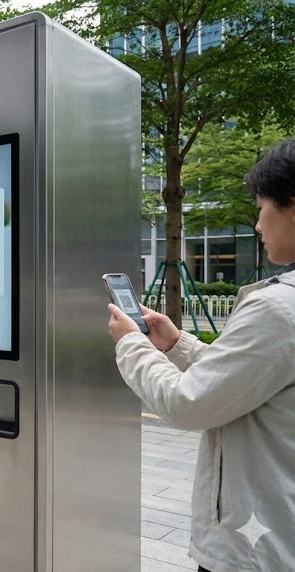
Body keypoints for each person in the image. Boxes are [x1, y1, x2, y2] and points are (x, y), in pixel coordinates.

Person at [107, 139, 295, 572]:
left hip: (257, 549)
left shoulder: (277, 308)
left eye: (262, 205)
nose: (257, 222)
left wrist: (129, 342)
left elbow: (189, 403)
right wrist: (179, 345)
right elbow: (256, 378)